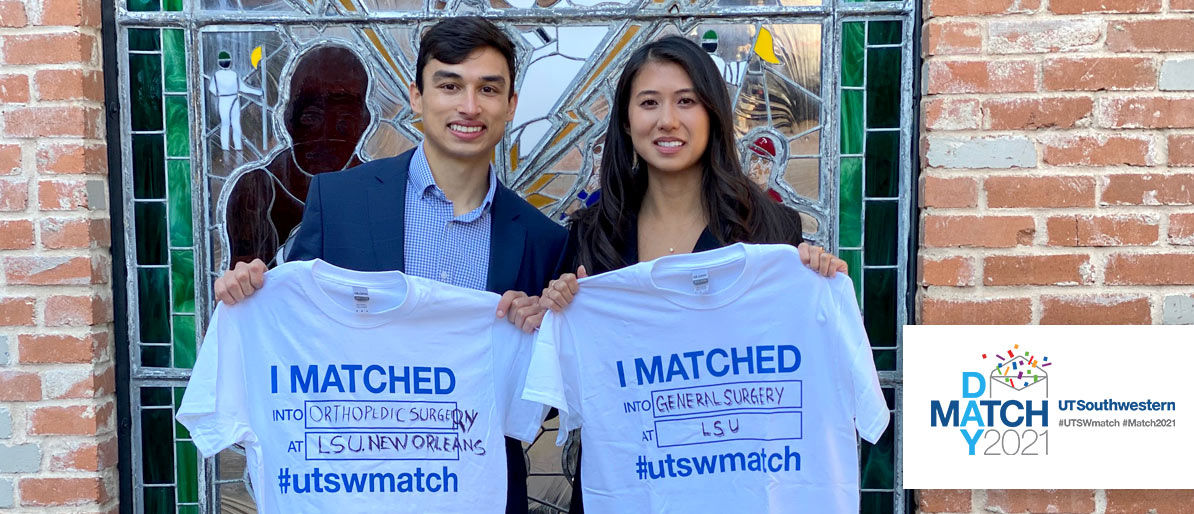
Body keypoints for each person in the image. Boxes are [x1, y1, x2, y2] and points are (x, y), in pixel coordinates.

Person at [212, 17, 565, 514]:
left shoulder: (543, 240)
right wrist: (250, 296)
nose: (469, 106)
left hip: (478, 492)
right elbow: (297, 337)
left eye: (488, 88)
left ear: (510, 105)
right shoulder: (339, 201)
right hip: (354, 488)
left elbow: (542, 402)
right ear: (417, 97)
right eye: (449, 85)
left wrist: (539, 335)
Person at [536, 35, 847, 513]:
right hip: (627, 489)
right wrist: (553, 314)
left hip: (733, 490)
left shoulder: (769, 229)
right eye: (649, 103)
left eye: (687, 101)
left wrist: (817, 284)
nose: (668, 120)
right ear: (626, 119)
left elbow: (801, 375)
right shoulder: (591, 237)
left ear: (714, 114)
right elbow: (561, 398)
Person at [224, 45, 370, 265]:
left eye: (344, 121)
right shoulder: (256, 190)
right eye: (311, 118)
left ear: (363, 124)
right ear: (288, 120)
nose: (326, 136)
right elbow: (244, 284)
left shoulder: (375, 187)